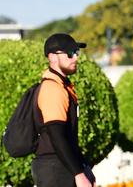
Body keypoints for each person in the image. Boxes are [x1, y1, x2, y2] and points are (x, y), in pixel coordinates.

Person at [33, 33, 95, 187]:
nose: (75, 58)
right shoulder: (52, 89)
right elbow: (57, 136)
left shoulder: (62, 87)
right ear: (52, 57)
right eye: (70, 53)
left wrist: (83, 166)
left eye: (76, 52)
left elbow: (67, 137)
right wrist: (79, 175)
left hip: (60, 167)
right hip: (55, 170)